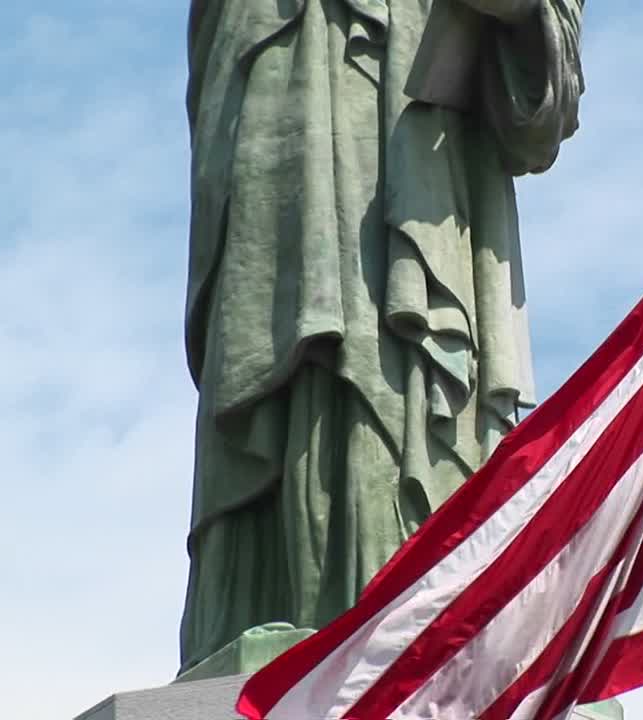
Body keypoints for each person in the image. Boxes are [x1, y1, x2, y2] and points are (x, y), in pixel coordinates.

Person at [178, 0, 584, 675]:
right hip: (281, 93)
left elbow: (542, 107)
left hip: (421, 150)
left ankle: (415, 599)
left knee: (403, 364)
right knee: (293, 331)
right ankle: (298, 599)